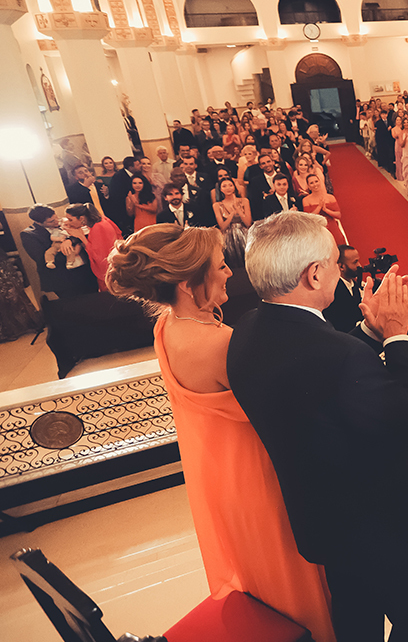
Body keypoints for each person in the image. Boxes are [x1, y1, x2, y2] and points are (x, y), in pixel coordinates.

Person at [106, 224, 335, 642]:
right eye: (220, 265)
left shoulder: (167, 327)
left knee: (266, 584)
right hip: (259, 482)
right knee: (297, 587)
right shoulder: (221, 343)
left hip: (220, 478)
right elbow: (289, 408)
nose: (230, 272)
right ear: (187, 283)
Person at [227, 212, 408, 642]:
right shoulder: (341, 356)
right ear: (313, 274)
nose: (340, 271)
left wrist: (367, 331)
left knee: (356, 623)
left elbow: (318, 381)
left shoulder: (245, 332)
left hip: (323, 522)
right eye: (335, 264)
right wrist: (396, 335)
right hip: (386, 527)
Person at [63, 203, 122, 291]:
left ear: (81, 218)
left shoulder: (98, 227)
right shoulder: (100, 220)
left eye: (70, 220)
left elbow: (100, 256)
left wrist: (81, 237)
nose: (68, 222)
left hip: (111, 270)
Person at [21, 205, 63, 295]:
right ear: (38, 222)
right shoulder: (29, 234)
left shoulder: (62, 223)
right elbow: (40, 258)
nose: (57, 221)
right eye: (51, 221)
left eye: (56, 217)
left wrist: (70, 241)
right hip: (58, 275)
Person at [324, 244, 365, 333]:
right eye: (355, 262)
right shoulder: (332, 290)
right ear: (341, 266)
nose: (359, 265)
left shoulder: (356, 286)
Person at [303, 173, 346, 245]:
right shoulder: (306, 200)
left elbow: (338, 215)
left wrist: (326, 210)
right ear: (309, 186)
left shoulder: (330, 197)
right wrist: (319, 207)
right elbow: (308, 218)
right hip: (318, 229)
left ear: (320, 182)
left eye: (316, 181)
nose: (315, 184)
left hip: (332, 226)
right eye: (311, 183)